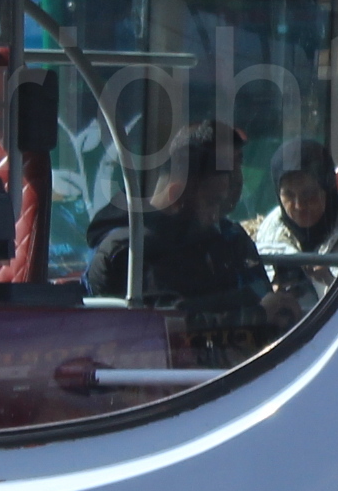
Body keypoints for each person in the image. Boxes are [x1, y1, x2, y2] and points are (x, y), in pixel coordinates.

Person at [88, 121, 293, 335]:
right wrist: (256, 315)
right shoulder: (130, 252)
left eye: (238, 163)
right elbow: (167, 326)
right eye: (211, 203)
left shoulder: (210, 238)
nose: (214, 217)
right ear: (176, 196)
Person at [251, 137, 338, 309]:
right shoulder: (268, 232)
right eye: (288, 195)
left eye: (309, 193)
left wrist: (331, 281)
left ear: (328, 188)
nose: (299, 205)